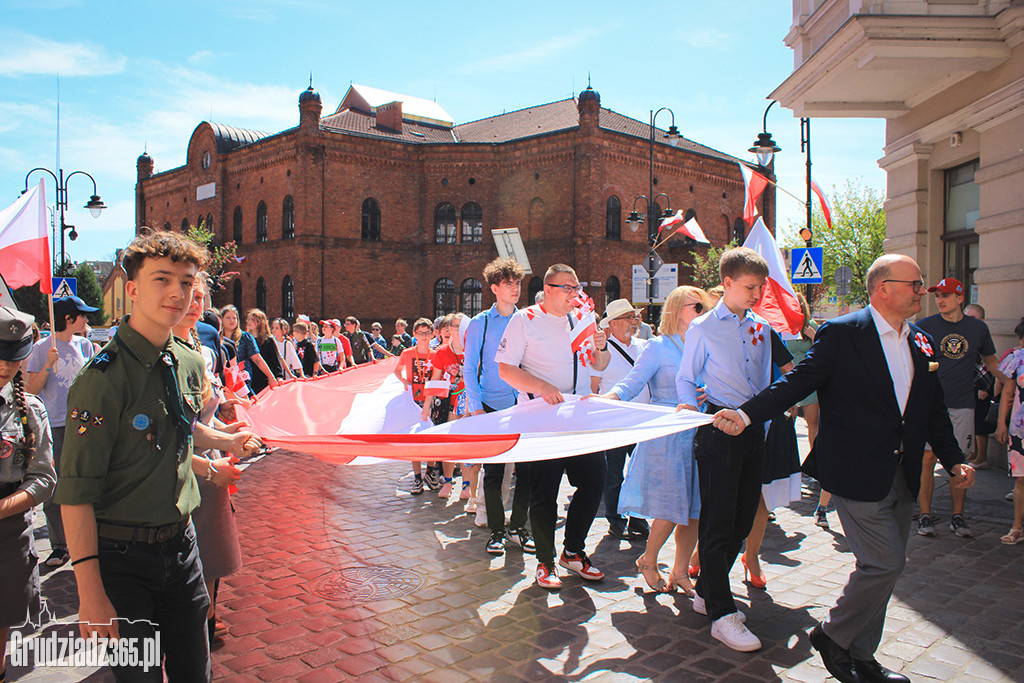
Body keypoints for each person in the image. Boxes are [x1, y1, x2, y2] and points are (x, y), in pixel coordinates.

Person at [714, 254, 974, 683]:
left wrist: (954, 459)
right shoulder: (844, 332)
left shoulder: (921, 340)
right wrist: (745, 415)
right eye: (914, 283)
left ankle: (864, 657)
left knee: (879, 572)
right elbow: (797, 382)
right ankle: (833, 637)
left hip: (903, 474)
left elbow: (933, 410)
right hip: (855, 471)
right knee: (886, 563)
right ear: (882, 289)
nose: (921, 290)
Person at [54, 230, 261, 681]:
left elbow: (178, 440)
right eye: (162, 279)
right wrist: (90, 592)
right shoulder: (102, 379)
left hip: (183, 548)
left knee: (195, 671)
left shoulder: (188, 361)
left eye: (186, 282)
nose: (177, 293)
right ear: (132, 289)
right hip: (122, 559)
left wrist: (217, 456)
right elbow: (75, 492)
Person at [675, 246, 775, 652]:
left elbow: (766, 379)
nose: (757, 294)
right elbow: (687, 376)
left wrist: (764, 422)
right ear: (728, 284)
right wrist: (687, 403)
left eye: (761, 287)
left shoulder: (762, 327)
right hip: (718, 428)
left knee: (741, 520)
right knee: (717, 522)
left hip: (753, 427)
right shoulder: (702, 327)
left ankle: (707, 591)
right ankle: (721, 612)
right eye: (750, 287)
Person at [496, 263, 611, 590]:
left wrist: (601, 347)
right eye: (568, 288)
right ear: (548, 289)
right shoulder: (525, 320)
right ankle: (545, 561)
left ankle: (572, 552)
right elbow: (505, 369)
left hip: (579, 417)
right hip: (541, 419)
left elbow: (598, 365)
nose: (575, 294)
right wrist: (542, 386)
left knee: (593, 482)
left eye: (577, 288)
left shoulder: (582, 319)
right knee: (544, 492)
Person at [601, 286, 708, 595]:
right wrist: (608, 398)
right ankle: (648, 559)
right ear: (676, 309)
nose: (704, 311)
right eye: (697, 306)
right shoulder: (658, 347)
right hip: (667, 433)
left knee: (695, 509)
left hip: (700, 430)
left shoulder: (707, 345)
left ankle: (679, 570)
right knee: (671, 505)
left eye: (704, 306)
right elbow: (632, 382)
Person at [172, 274, 244, 646]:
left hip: (210, 462)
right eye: (188, 294)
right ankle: (193, 622)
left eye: (200, 296)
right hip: (186, 468)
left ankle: (207, 616)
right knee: (188, 549)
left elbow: (204, 417)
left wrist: (232, 436)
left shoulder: (203, 350)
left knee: (212, 549)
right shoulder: (165, 354)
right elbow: (174, 431)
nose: (194, 302)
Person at [916, 278, 1004, 538]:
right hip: (932, 406)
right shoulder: (924, 326)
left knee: (958, 461)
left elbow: (991, 361)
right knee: (927, 459)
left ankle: (958, 516)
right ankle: (924, 515)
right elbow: (918, 362)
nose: (940, 300)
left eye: (945, 295)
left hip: (963, 404)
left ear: (959, 297)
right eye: (937, 296)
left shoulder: (977, 328)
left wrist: (1008, 380)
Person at [0, 306, 56, 683]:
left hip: (7, 533)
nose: (6, 365)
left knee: (2, 618)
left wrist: (5, 506)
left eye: (14, 357)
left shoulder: (29, 411)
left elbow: (43, 479)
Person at [463, 258, 533, 552]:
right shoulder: (482, 322)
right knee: (493, 472)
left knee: (527, 472)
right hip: (490, 405)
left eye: (517, 283)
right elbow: (469, 368)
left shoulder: (528, 319)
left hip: (523, 405)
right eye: (508, 284)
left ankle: (517, 526)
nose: (515, 289)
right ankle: (496, 530)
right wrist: (476, 405)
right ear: (494, 288)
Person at [25, 296, 97, 567]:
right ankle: (59, 545)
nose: (87, 320)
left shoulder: (86, 345)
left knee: (86, 481)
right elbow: (32, 390)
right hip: (55, 425)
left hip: (85, 424)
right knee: (56, 487)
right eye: (82, 316)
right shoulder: (42, 347)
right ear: (68, 318)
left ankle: (89, 538)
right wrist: (47, 364)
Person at [590, 299, 650, 541]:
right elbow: (593, 388)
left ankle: (638, 517)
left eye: (633, 317)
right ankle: (615, 519)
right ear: (612, 323)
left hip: (642, 421)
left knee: (640, 472)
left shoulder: (646, 346)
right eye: (627, 318)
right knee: (614, 474)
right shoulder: (603, 351)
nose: (633, 322)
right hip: (614, 423)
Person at [395, 318, 437, 494]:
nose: (424, 337)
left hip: (431, 399)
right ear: (415, 335)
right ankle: (417, 477)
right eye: (420, 333)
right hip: (413, 400)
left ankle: (430, 471)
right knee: (414, 439)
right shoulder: (407, 353)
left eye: (427, 333)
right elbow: (397, 370)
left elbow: (437, 378)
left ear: (432, 334)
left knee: (432, 438)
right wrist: (405, 382)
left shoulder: (435, 355)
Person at [996, 342, 1024, 544]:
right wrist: (1001, 423)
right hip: (1020, 429)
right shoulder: (1018, 358)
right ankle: (1017, 526)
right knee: (1021, 479)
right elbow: (1007, 393)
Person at [964, 304, 997, 468]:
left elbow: (988, 362)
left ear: (982, 320)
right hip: (971, 385)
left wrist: (984, 387)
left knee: (981, 422)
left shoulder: (982, 334)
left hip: (983, 385)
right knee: (973, 422)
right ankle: (974, 454)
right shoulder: (966, 334)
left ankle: (982, 457)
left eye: (973, 318)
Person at [246, 309, 289, 395]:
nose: (249, 321)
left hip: (264, 378)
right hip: (250, 377)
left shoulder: (268, 340)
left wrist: (278, 376)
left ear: (259, 322)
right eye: (249, 319)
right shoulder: (246, 339)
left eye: (252, 319)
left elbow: (275, 359)